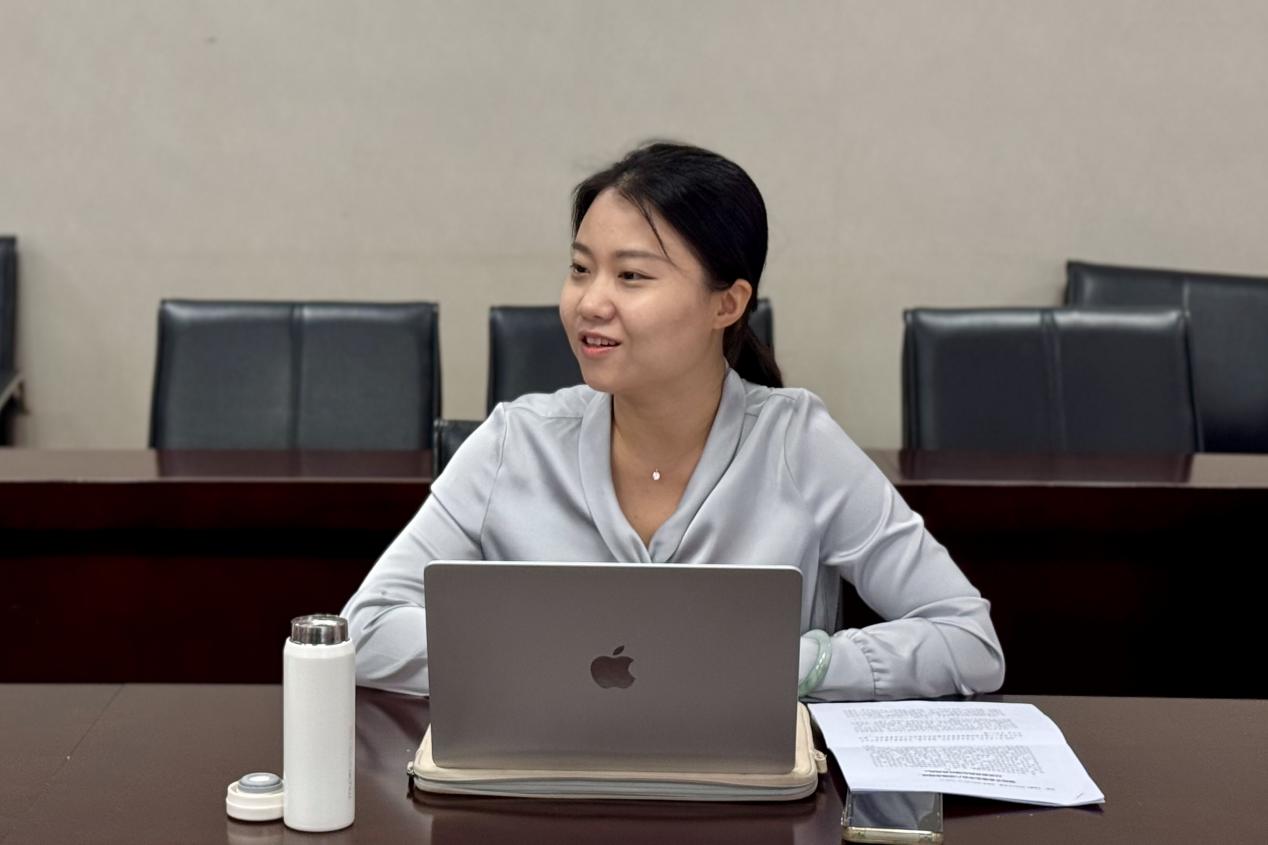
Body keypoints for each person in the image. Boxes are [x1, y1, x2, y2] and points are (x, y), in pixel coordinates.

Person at [341, 142, 1004, 701]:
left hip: (746, 792)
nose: (590, 302)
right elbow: (363, 631)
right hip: (549, 785)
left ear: (727, 304)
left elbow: (968, 640)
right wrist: (557, 655)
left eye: (631, 276)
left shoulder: (798, 444)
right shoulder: (514, 443)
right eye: (580, 269)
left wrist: (788, 665)